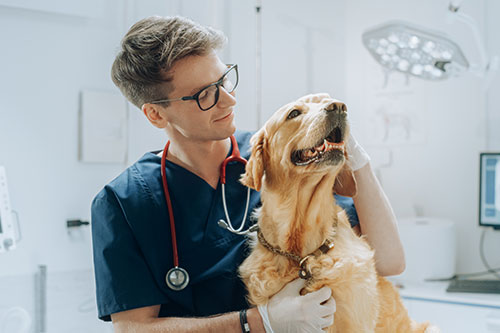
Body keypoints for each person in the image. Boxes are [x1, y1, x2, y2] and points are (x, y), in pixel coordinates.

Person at [91, 15, 405, 333]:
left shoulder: (278, 155)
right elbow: (133, 328)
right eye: (204, 95)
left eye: (224, 80)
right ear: (156, 114)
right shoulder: (124, 202)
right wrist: (257, 321)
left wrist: (355, 158)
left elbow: (389, 261)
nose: (228, 99)